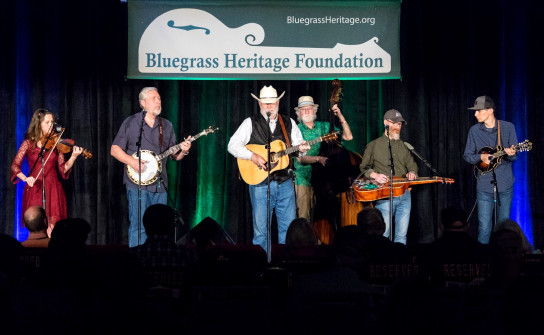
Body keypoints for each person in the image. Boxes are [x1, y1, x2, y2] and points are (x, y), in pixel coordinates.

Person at [227, 85, 310, 251]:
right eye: (266, 103)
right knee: (261, 233)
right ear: (259, 104)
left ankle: (284, 265)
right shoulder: (250, 123)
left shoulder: (288, 122)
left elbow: (298, 148)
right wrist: (253, 156)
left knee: (287, 230)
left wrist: (302, 148)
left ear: (278, 102)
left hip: (285, 182)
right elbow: (232, 145)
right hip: (260, 185)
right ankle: (262, 269)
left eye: (272, 103)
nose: (269, 106)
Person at [111, 87, 192, 247]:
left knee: (161, 228)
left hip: (160, 186)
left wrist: (184, 151)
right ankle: (136, 262)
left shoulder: (167, 125)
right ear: (143, 103)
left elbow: (174, 156)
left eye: (159, 98)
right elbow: (114, 149)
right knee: (139, 226)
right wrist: (132, 161)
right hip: (136, 185)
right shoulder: (131, 122)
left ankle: (158, 260)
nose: (158, 101)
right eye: (154, 98)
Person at [10, 108, 83, 236]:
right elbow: (15, 166)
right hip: (35, 188)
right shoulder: (28, 143)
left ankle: (51, 253)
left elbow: (63, 169)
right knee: (36, 228)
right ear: (39, 124)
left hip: (53, 189)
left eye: (52, 122)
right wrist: (26, 178)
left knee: (52, 230)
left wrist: (73, 157)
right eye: (47, 122)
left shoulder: (56, 143)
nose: (51, 125)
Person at [463, 95, 518, 244]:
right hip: (484, 186)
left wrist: (512, 153)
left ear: (490, 110)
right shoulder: (474, 131)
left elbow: (514, 157)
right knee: (484, 229)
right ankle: (483, 264)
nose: (475, 114)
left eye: (478, 111)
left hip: (505, 185)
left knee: (503, 229)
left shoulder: (507, 127)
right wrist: (480, 157)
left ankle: (503, 263)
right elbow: (467, 156)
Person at [359, 109, 418, 244]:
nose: (398, 126)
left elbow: (413, 166)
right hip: (385, 194)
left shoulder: (404, 146)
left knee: (402, 236)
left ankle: (400, 263)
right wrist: (375, 175)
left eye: (400, 124)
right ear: (386, 123)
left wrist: (412, 173)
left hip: (404, 194)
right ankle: (382, 263)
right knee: (383, 234)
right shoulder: (373, 145)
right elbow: (363, 168)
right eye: (395, 123)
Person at [292, 95, 353, 222]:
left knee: (324, 216)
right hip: (304, 177)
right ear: (298, 112)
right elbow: (299, 159)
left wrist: (340, 115)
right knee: (304, 216)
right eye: (303, 109)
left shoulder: (324, 127)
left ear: (315, 110)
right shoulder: (295, 130)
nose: (307, 111)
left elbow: (348, 137)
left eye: (310, 108)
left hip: (324, 179)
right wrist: (318, 159)